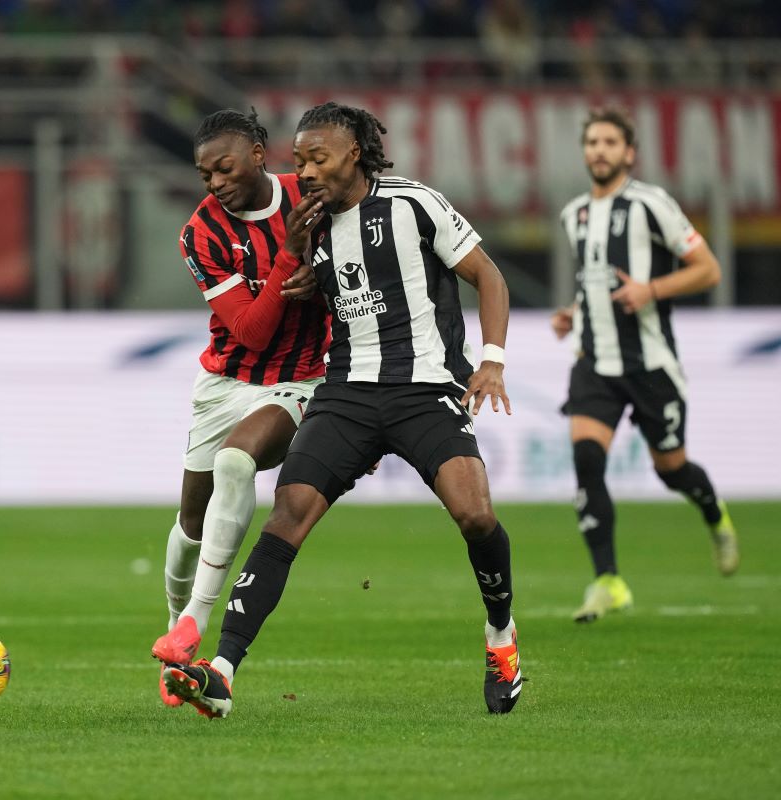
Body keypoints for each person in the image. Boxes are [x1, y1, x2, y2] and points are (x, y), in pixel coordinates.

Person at [160, 101, 523, 718]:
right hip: (345, 392)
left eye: (317, 158)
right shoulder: (306, 225)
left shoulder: (414, 202)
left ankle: (501, 636)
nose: (302, 171)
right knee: (287, 516)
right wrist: (295, 273)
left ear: (354, 152)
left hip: (424, 388)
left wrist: (491, 360)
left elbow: (487, 275)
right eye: (298, 160)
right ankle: (221, 670)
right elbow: (278, 297)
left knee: (476, 516)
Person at [150, 109, 330, 707]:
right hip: (226, 383)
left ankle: (194, 626)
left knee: (236, 464)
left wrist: (320, 282)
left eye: (223, 168)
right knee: (188, 529)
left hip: (298, 383)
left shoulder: (311, 198)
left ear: (258, 154)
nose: (215, 183)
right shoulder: (199, 233)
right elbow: (250, 331)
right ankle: (177, 627)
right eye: (205, 176)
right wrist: (287, 268)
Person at [550, 107, 739, 623]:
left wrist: (650, 289)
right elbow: (596, 282)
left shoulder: (652, 204)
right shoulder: (575, 214)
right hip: (594, 363)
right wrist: (573, 313)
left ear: (629, 152)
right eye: (592, 142)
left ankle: (713, 512)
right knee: (587, 462)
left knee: (671, 469)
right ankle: (608, 582)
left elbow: (708, 269)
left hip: (649, 363)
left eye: (610, 142)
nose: (600, 151)